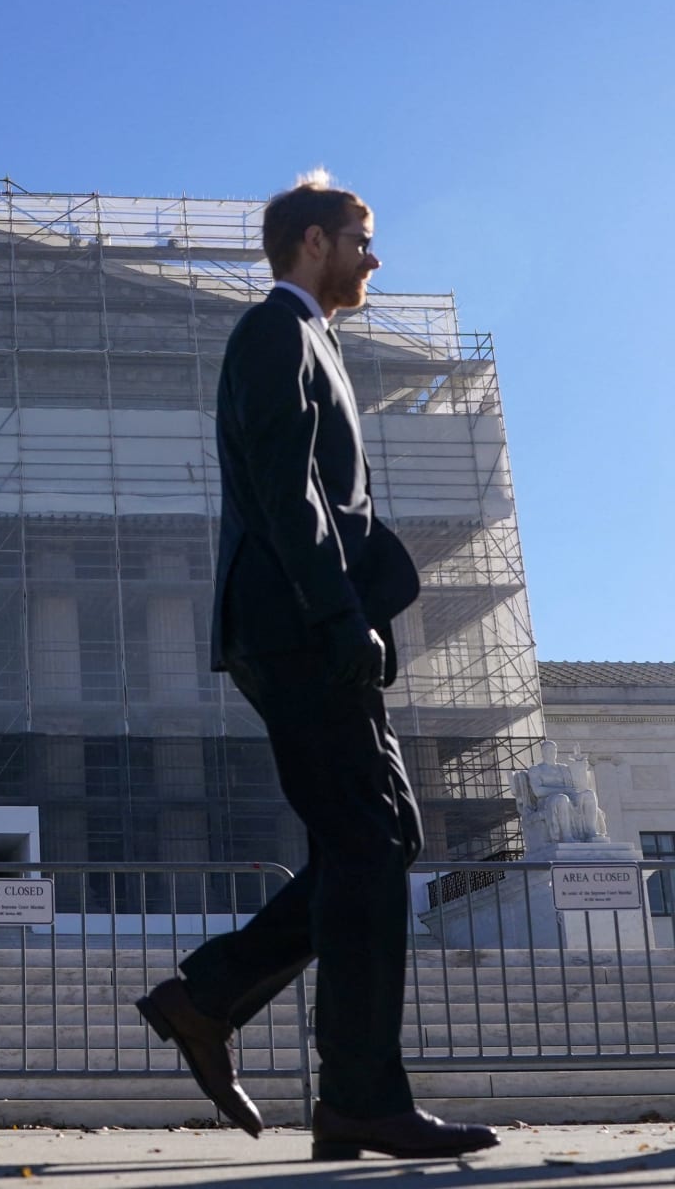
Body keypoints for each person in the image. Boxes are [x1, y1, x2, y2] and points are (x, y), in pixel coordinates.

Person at [133, 174, 497, 1161]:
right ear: (309, 243)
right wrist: (341, 616)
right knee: (372, 840)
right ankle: (358, 1095)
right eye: (360, 238)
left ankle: (206, 998)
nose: (374, 257)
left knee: (381, 836)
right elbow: (290, 492)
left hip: (308, 621)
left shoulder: (315, 341)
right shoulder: (273, 332)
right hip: (297, 625)